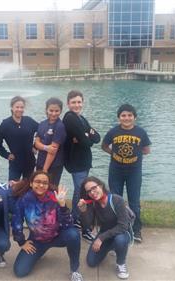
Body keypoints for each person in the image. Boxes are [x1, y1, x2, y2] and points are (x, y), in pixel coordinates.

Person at [11, 171, 83, 281]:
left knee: (73, 234)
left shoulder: (55, 198)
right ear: (31, 183)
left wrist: (63, 206)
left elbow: (68, 224)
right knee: (20, 271)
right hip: (37, 241)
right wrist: (21, 242)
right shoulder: (24, 200)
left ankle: (75, 270)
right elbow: (16, 222)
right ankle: (39, 253)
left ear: (48, 185)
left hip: (58, 237)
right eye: (37, 182)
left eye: (45, 183)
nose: (41, 185)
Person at [102, 103, 151, 243]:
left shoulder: (141, 132)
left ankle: (136, 230)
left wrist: (135, 155)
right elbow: (104, 146)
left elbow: (147, 150)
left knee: (134, 202)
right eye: (123, 115)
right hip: (116, 171)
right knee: (115, 200)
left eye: (130, 115)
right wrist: (114, 153)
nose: (127, 118)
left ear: (135, 117)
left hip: (134, 172)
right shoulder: (113, 132)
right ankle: (115, 227)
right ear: (119, 118)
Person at [62, 90, 100, 242]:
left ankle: (75, 218)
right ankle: (82, 225)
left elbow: (97, 137)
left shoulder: (81, 118)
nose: (77, 105)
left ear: (82, 102)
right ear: (68, 104)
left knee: (79, 191)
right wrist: (86, 137)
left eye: (79, 102)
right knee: (82, 192)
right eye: (73, 102)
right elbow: (87, 142)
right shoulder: (70, 118)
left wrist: (86, 136)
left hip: (83, 161)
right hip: (76, 162)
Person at [78, 176, 133, 280]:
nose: (92, 192)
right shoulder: (93, 204)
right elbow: (88, 226)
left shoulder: (117, 200)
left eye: (94, 188)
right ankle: (112, 246)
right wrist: (84, 211)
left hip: (122, 233)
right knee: (91, 262)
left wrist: (100, 238)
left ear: (101, 185)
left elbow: (123, 226)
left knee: (120, 240)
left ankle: (120, 263)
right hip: (106, 234)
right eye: (89, 191)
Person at [0, 96, 38, 181]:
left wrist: (35, 146)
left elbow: (42, 131)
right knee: (13, 190)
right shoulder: (5, 124)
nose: (19, 109)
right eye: (17, 107)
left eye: (22, 107)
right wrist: (6, 154)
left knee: (28, 188)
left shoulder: (29, 121)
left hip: (30, 161)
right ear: (12, 107)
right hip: (15, 162)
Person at [34, 98, 66, 186]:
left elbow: (53, 151)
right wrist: (46, 147)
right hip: (40, 162)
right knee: (38, 188)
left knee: (51, 190)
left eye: (57, 111)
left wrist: (45, 170)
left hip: (53, 166)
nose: (54, 113)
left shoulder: (60, 126)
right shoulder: (42, 124)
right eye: (51, 110)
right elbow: (36, 143)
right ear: (46, 110)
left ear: (61, 111)